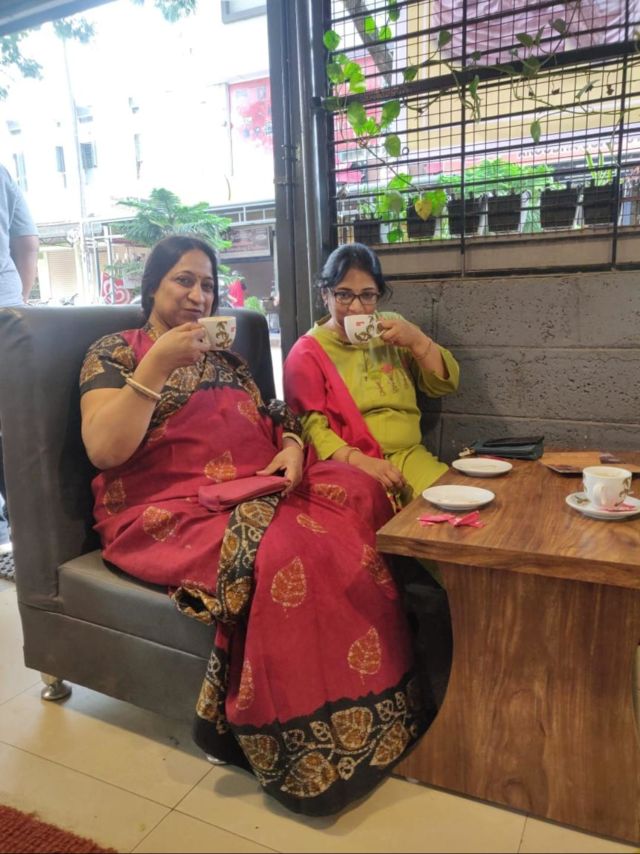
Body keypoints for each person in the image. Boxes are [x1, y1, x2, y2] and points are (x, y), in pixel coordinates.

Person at [79, 234, 430, 816]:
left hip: (260, 482)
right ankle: (305, 743)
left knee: (365, 490)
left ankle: (399, 691)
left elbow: (277, 414)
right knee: (293, 548)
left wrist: (291, 446)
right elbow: (104, 449)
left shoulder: (226, 359)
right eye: (183, 280)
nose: (198, 295)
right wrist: (158, 362)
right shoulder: (115, 351)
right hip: (172, 505)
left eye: (208, 285)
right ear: (153, 285)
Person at [283, 243, 460, 506]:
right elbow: (311, 428)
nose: (356, 308)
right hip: (350, 465)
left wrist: (417, 340)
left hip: (410, 456)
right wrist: (362, 462)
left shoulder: (392, 328)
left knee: (455, 505)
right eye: (344, 295)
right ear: (325, 295)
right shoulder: (307, 352)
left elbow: (444, 384)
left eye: (367, 295)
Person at [0, 164, 39, 555]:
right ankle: (21, 532)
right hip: (4, 307)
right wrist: (18, 301)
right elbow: (27, 243)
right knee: (10, 427)